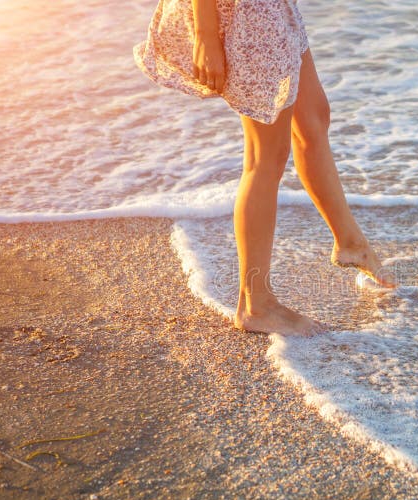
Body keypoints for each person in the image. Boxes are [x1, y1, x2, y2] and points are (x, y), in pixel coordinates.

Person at [134, 0, 396, 336]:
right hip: (251, 15)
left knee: (313, 119)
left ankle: (349, 241)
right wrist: (206, 33)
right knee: (265, 156)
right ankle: (256, 305)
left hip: (274, 9)